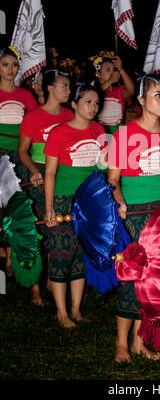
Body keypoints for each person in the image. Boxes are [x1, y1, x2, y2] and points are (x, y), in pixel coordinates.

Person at [107, 73, 160, 363]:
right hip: (135, 216)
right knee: (131, 278)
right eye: (157, 95)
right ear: (141, 100)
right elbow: (112, 179)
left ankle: (140, 342)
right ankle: (121, 344)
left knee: (153, 282)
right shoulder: (123, 135)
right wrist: (121, 202)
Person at [44, 85, 107, 328]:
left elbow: (102, 168)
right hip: (64, 199)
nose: (93, 107)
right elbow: (50, 172)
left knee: (82, 253)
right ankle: (61, 313)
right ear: (74, 104)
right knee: (61, 254)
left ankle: (76, 309)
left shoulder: (99, 130)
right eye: (88, 102)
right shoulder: (59, 132)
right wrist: (50, 207)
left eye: (96, 103)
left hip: (89, 202)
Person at [18, 69, 74, 305]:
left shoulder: (71, 115)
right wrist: (33, 171)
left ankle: (53, 279)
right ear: (50, 88)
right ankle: (34, 286)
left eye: (70, 87)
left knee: (57, 229)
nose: (69, 91)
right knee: (37, 232)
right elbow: (22, 151)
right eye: (65, 86)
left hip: (61, 177)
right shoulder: (33, 116)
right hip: (38, 176)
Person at [0, 46, 37, 277]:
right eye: (5, 64)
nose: (10, 69)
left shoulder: (25, 95)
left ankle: (13, 254)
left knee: (16, 205)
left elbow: (35, 124)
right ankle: (4, 252)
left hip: (19, 156)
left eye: (14, 65)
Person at [92, 52, 135, 134]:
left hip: (118, 132)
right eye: (108, 70)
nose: (112, 73)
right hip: (99, 133)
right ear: (98, 73)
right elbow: (96, 94)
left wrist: (121, 69)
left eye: (113, 69)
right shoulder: (93, 89)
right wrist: (110, 80)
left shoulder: (118, 90)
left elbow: (131, 91)